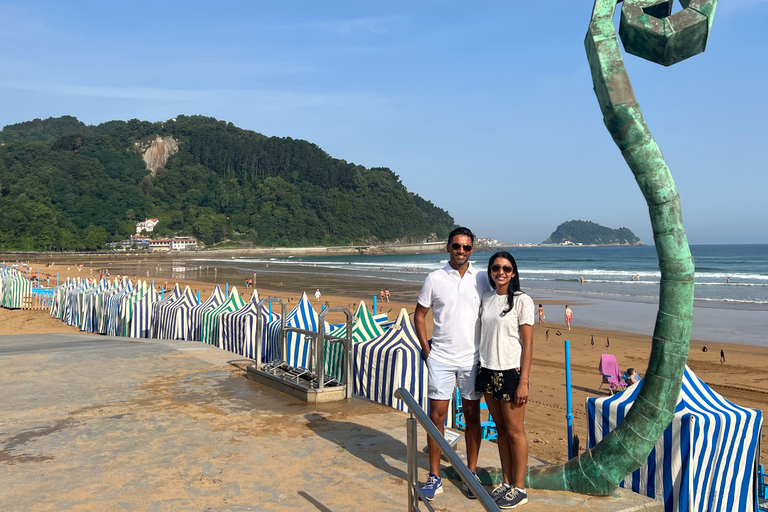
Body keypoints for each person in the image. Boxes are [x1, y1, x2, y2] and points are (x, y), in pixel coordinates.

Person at [414, 227, 491, 501]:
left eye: (467, 247)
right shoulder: (434, 278)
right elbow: (419, 315)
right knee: (436, 417)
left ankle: (470, 473)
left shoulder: (481, 278)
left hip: (472, 358)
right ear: (448, 247)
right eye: (457, 246)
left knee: (472, 417)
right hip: (441, 358)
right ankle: (434, 476)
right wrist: (427, 350)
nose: (461, 251)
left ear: (473, 250)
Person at [477, 251, 533, 509]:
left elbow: (528, 345)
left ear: (514, 272)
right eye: (496, 268)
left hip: (510, 372)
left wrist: (524, 380)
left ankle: (520, 488)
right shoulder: (487, 298)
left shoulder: (523, 301)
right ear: (490, 271)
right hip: (487, 369)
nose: (501, 272)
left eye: (507, 268)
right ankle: (508, 482)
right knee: (500, 429)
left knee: (514, 430)